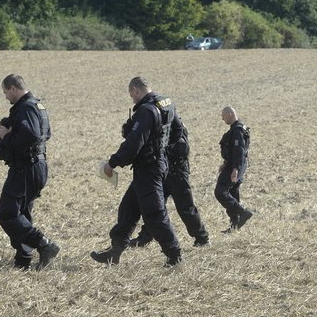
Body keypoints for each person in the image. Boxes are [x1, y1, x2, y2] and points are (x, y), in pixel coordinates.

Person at [90, 76, 182, 268]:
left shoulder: (146, 111)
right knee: (128, 209)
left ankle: (174, 255)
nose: (132, 99)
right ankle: (115, 252)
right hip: (155, 166)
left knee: (155, 214)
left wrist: (113, 163)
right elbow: (178, 132)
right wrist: (162, 150)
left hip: (149, 169)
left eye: (132, 95)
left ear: (135, 90)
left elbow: (134, 143)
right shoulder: (166, 103)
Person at [0, 74, 59, 270]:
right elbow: (45, 134)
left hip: (26, 167)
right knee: (22, 213)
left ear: (14, 89)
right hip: (36, 166)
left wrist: (6, 136)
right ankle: (23, 259)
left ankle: (44, 244)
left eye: (6, 92)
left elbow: (30, 135)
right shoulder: (37, 106)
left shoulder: (25, 107)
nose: (6, 96)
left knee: (7, 213)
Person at [129, 107, 210, 249]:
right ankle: (145, 238)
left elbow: (182, 150)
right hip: (164, 172)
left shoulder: (177, 129)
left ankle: (202, 238)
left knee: (186, 208)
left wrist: (163, 151)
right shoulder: (162, 127)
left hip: (177, 173)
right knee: (155, 207)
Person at [215, 106, 253, 232]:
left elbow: (239, 151)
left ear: (230, 114)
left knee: (220, 191)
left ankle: (243, 212)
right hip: (235, 164)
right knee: (232, 193)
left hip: (236, 165)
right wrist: (226, 163)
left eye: (223, 115)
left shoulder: (237, 130)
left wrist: (235, 169)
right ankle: (235, 224)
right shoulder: (238, 128)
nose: (222, 118)